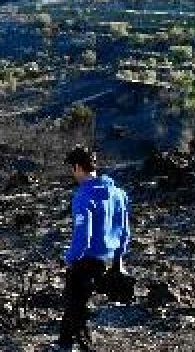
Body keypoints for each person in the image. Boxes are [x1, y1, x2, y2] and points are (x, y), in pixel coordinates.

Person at [57, 145, 130, 351]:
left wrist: (71, 258)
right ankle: (63, 344)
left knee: (76, 307)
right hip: (109, 260)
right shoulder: (118, 193)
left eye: (72, 169)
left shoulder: (83, 195)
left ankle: (85, 348)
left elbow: (83, 235)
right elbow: (124, 230)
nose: (73, 174)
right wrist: (119, 260)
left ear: (79, 167)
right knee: (73, 301)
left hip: (87, 260)